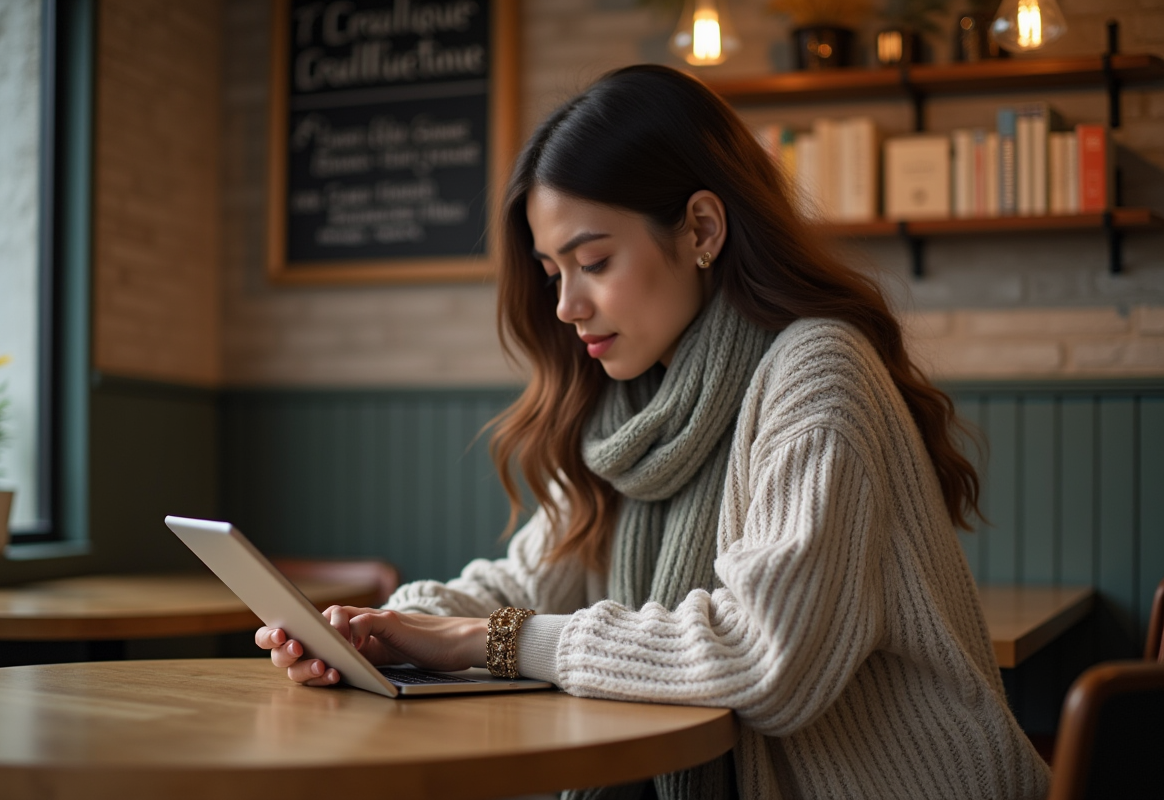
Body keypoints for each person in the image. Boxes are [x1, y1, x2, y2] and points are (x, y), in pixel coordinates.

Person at [256, 64, 1051, 799]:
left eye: (592, 261)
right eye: (551, 273)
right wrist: (381, 628)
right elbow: (528, 584)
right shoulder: (627, 409)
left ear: (702, 229)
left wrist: (479, 642)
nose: (566, 306)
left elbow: (765, 660)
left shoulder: (817, 371)